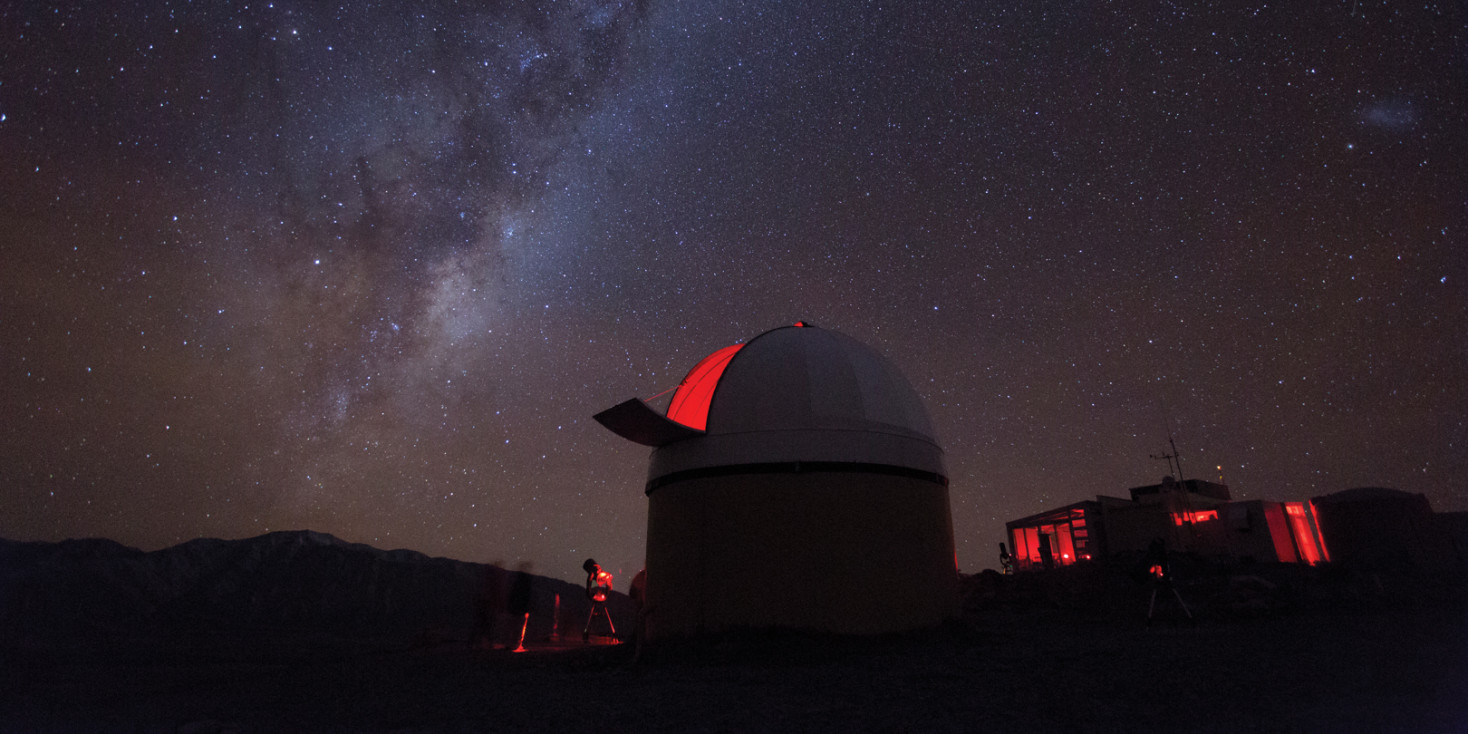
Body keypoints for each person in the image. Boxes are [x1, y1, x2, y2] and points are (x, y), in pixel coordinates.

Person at [582, 558, 616, 642]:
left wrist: (590, 594)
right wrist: (590, 593)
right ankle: (613, 635)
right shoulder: (593, 573)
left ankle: (587, 634)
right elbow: (589, 582)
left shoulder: (602, 575)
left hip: (598, 597)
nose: (600, 583)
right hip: (596, 596)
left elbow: (608, 585)